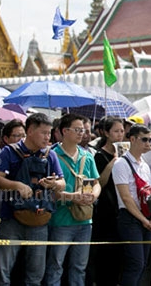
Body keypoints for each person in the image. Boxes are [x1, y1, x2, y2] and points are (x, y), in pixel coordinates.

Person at [0, 112, 65, 285]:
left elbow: (62, 183)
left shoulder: (50, 154)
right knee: (3, 271)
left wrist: (53, 184)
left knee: (36, 272)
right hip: (10, 219)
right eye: (44, 133)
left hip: (40, 219)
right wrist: (16, 185)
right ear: (30, 131)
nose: (48, 137)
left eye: (49, 133)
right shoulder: (9, 152)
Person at [45, 114, 101, 286]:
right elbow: (47, 191)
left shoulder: (87, 156)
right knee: (55, 265)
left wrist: (93, 195)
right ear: (64, 131)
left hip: (85, 220)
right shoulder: (52, 155)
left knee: (79, 266)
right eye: (77, 130)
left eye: (83, 130)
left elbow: (96, 182)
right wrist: (72, 197)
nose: (81, 134)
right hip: (60, 219)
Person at [113, 124, 151, 285]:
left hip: (147, 215)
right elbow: (125, 197)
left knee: (143, 264)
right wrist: (144, 220)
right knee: (135, 264)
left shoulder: (145, 165)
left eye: (150, 140)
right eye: (144, 139)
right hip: (130, 218)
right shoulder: (121, 164)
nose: (149, 144)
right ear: (132, 139)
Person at [88, 116, 124, 286]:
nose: (120, 135)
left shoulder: (126, 156)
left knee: (118, 255)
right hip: (104, 210)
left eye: (122, 131)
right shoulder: (99, 155)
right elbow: (100, 182)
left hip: (121, 208)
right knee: (104, 255)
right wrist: (113, 162)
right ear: (107, 133)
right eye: (116, 131)